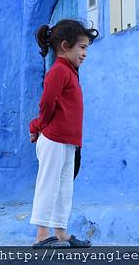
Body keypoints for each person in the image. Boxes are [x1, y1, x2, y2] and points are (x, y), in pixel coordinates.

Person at [29, 19, 99, 249]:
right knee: (49, 185)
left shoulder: (70, 72)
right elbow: (46, 103)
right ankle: (41, 234)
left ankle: (61, 232)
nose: (85, 54)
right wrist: (39, 127)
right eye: (83, 47)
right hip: (53, 139)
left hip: (67, 141)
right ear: (66, 46)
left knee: (64, 188)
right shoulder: (59, 70)